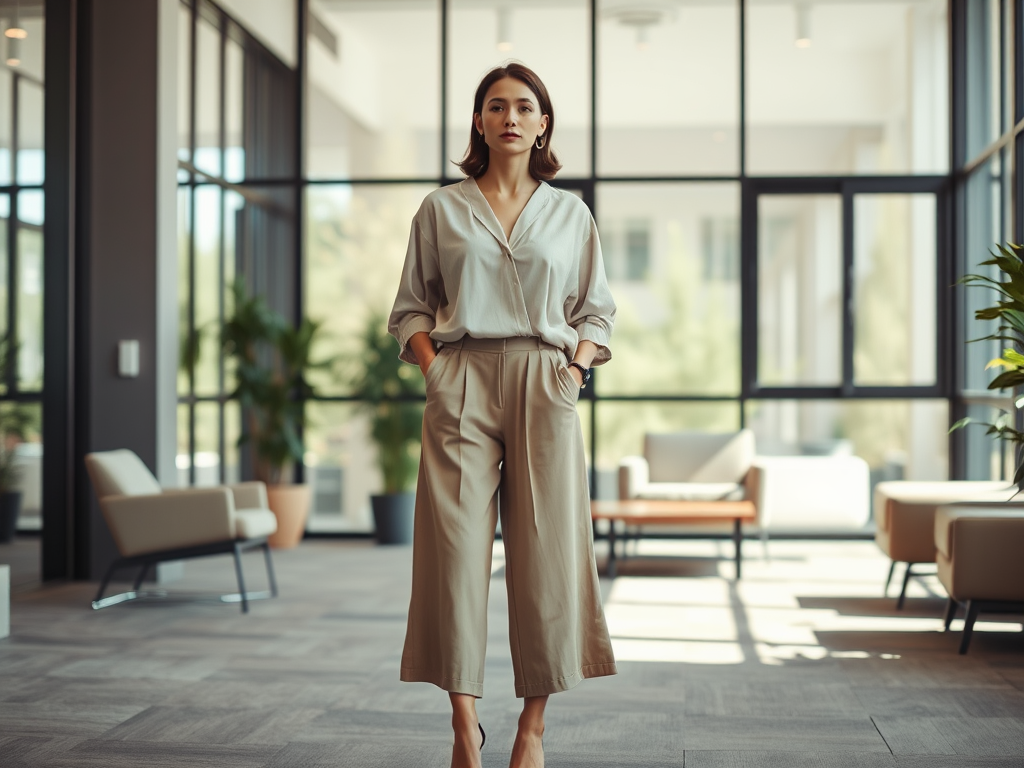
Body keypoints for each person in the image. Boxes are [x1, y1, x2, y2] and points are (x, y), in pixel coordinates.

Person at [388, 61, 617, 768]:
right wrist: (435, 368)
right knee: (452, 554)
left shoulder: (571, 214)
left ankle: (532, 728)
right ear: (479, 122)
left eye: (524, 107)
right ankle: (463, 724)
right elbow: (409, 308)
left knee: (547, 554)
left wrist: (574, 371)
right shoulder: (441, 209)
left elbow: (596, 312)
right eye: (496, 106)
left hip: (545, 382)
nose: (510, 117)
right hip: (461, 379)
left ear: (543, 123)